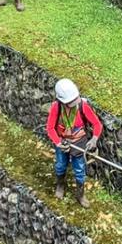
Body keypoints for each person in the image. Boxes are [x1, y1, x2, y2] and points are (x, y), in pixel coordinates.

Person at [46, 78, 103, 207]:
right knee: (61, 165)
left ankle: (80, 194)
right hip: (63, 142)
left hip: (79, 143)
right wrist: (58, 142)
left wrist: (94, 139)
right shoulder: (56, 107)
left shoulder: (82, 106)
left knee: (80, 169)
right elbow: (50, 128)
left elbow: (97, 124)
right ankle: (60, 185)